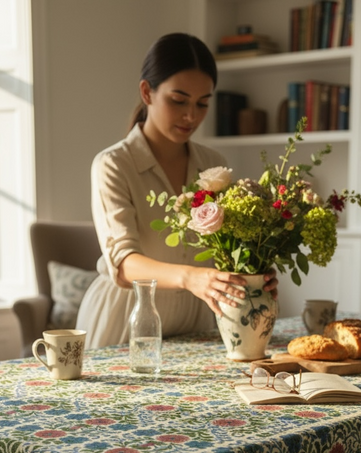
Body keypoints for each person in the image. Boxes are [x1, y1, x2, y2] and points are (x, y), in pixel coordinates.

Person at [76, 32, 278, 349]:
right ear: (147, 92)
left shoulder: (214, 166)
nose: (191, 116)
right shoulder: (113, 165)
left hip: (196, 324)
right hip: (126, 323)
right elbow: (124, 265)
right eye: (178, 100)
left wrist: (255, 274)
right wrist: (191, 277)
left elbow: (227, 250)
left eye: (202, 104)